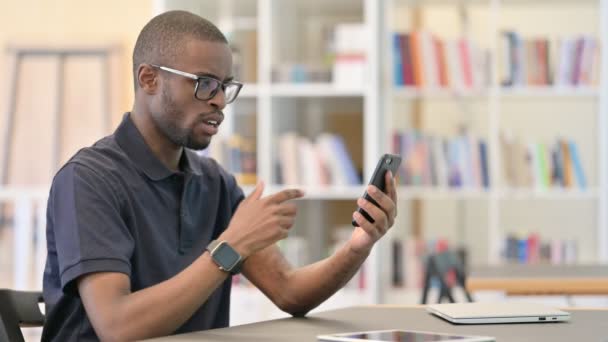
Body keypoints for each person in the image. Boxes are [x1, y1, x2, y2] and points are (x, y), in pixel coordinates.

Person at [42, 10, 397, 341]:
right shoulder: (87, 180)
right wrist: (232, 246)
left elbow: (289, 290)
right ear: (148, 79)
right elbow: (118, 326)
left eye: (225, 86)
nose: (219, 101)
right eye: (204, 84)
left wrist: (358, 246)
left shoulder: (214, 182)